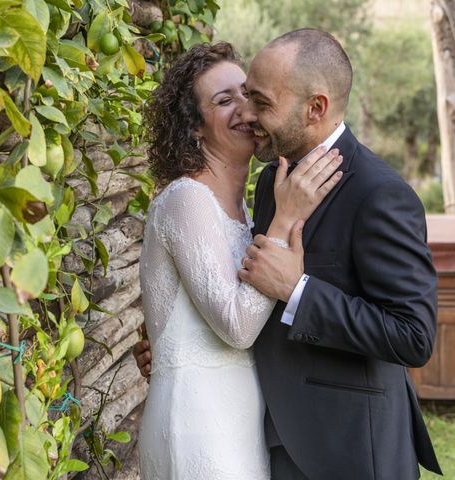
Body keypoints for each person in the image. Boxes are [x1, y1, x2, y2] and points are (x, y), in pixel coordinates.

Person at [135, 30, 442, 480]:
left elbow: (413, 335)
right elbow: (233, 293)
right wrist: (173, 345)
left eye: (260, 101)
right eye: (237, 99)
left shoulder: (378, 193)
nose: (249, 114)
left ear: (314, 108)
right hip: (258, 434)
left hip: (350, 445)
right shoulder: (265, 185)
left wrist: (298, 291)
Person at [136, 42, 343, 480]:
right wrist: (287, 217)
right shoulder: (186, 200)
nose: (246, 111)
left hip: (238, 418)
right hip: (196, 422)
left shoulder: (242, 209)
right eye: (223, 100)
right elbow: (236, 325)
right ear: (194, 128)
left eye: (248, 95)